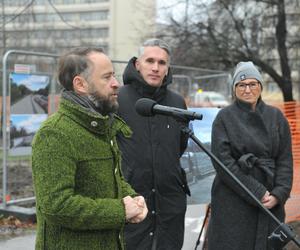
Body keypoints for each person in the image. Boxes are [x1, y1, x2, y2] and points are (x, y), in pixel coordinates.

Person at [31, 47, 148, 250]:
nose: (116, 84)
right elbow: (56, 205)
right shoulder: (55, 133)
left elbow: (112, 180)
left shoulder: (102, 126)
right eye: (107, 77)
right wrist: (120, 210)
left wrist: (132, 199)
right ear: (80, 84)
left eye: (114, 75)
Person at [207, 61, 293, 250]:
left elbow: (285, 160)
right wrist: (257, 192)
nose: (247, 89)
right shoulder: (224, 117)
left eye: (252, 84)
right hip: (234, 198)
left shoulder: (277, 117)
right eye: (241, 85)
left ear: (260, 86)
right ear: (234, 89)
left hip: (271, 198)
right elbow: (223, 163)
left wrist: (279, 194)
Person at [117, 38, 190, 250]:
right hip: (132, 202)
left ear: (168, 69)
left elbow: (180, 145)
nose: (156, 67)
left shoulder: (177, 103)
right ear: (137, 64)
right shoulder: (117, 99)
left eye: (162, 63)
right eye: (150, 61)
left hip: (170, 203)